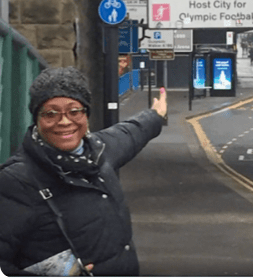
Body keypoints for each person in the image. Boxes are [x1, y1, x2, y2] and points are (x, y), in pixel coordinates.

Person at [0, 66, 167, 277]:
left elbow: (131, 132)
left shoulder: (100, 149)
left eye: (74, 111)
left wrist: (156, 115)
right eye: (50, 113)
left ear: (86, 114)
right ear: (37, 119)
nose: (64, 121)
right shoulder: (15, 181)